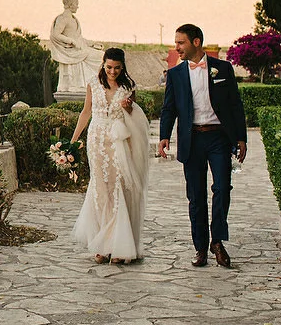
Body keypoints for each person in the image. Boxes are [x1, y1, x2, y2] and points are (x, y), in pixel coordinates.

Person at [157, 24, 248, 268]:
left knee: (222, 188)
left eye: (181, 43)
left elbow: (235, 105)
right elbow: (169, 107)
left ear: (196, 42)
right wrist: (163, 135)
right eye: (176, 43)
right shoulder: (175, 74)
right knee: (195, 197)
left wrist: (241, 138)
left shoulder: (223, 69)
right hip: (192, 139)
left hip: (219, 137)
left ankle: (217, 241)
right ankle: (200, 248)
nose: (177, 48)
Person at [69, 47, 152, 264]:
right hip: (96, 140)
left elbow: (136, 117)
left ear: (122, 67)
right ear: (103, 64)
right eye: (108, 67)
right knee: (101, 188)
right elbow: (86, 112)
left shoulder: (128, 87)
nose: (112, 72)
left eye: (116, 68)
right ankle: (103, 244)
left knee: (118, 188)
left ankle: (119, 245)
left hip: (118, 141)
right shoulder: (92, 84)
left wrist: (129, 108)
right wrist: (74, 139)